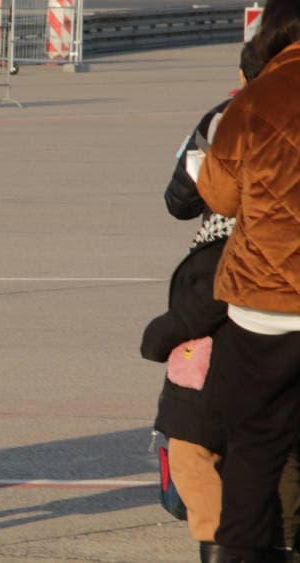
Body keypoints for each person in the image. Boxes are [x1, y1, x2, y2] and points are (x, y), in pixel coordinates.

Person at [141, 42, 268, 563]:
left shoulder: (225, 119)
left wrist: (169, 330)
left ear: (244, 73)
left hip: (237, 310)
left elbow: (179, 199)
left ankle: (227, 544)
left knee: (195, 437)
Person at [194, 0, 300, 559]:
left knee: (254, 446)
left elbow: (218, 196)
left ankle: (243, 553)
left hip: (265, 301)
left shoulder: (254, 99)